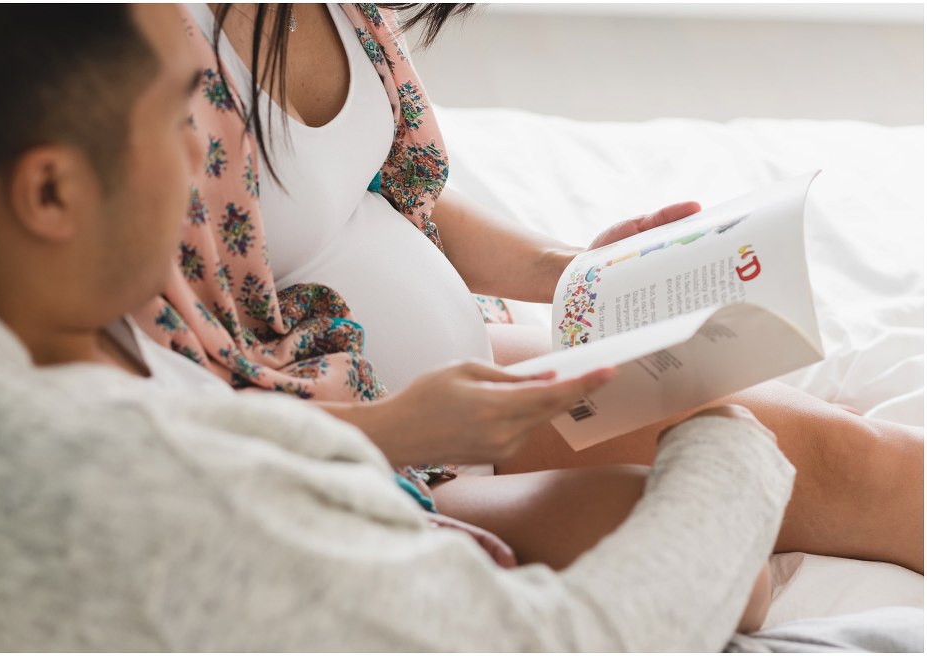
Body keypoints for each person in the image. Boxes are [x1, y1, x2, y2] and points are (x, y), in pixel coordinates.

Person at [0, 4, 794, 651]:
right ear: (51, 193)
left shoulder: (12, 362)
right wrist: (725, 434)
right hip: (410, 474)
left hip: (415, 431)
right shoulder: (175, 493)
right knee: (747, 525)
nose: (206, 167)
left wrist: (398, 423)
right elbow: (571, 638)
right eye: (183, 122)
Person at [137, 2, 924, 576]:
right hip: (363, 448)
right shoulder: (124, 54)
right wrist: (394, 438)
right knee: (731, 561)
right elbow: (151, 376)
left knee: (856, 456)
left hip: (470, 385)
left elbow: (368, 188)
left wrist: (572, 267)